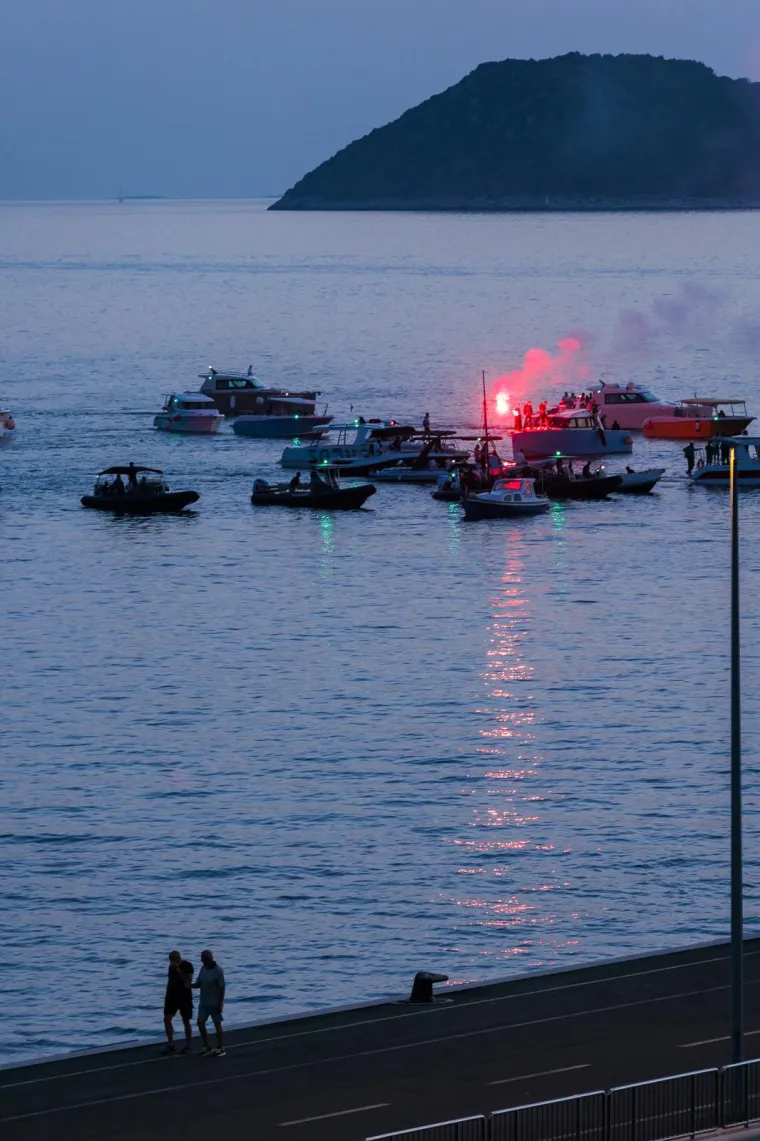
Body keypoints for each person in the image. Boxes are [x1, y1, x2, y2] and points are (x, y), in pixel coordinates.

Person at [193, 949, 226, 1057]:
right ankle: (206, 1046)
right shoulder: (203, 969)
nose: (202, 961)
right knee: (200, 1023)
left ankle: (220, 1047)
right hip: (203, 1002)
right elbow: (199, 984)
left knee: (217, 1024)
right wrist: (190, 985)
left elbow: (222, 988)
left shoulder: (218, 971)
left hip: (214, 1002)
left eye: (203, 959)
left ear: (208, 959)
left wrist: (220, 1004)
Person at [163, 950, 194, 1055]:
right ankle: (171, 1043)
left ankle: (188, 1045)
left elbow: (188, 980)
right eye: (171, 960)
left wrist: (178, 970)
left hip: (184, 997)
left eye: (173, 959)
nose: (171, 962)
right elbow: (170, 981)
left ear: (178, 958)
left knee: (186, 1021)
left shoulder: (187, 965)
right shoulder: (171, 968)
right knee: (167, 1018)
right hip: (172, 996)